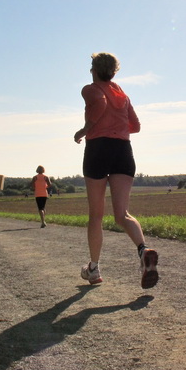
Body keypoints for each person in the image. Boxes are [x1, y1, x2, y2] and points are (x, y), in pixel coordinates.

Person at [74, 52, 159, 289]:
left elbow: (100, 104)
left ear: (94, 69)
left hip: (98, 149)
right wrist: (116, 128)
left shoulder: (90, 89)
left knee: (96, 215)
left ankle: (93, 269)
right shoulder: (123, 95)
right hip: (123, 151)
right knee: (122, 214)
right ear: (114, 71)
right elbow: (136, 126)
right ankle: (143, 250)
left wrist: (85, 130)